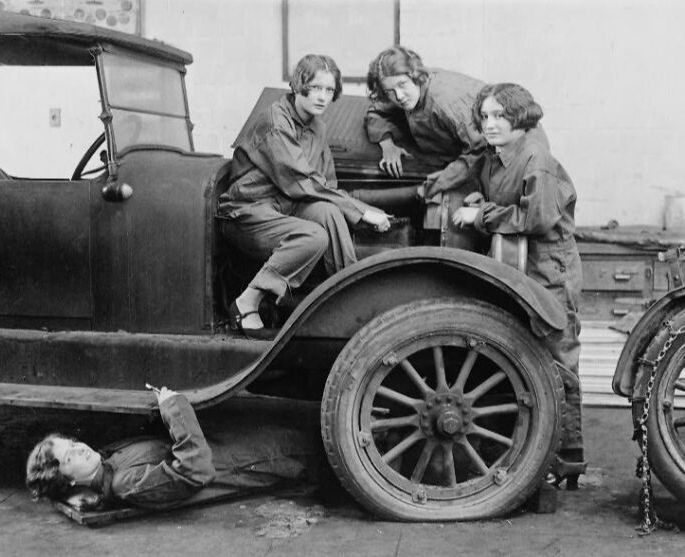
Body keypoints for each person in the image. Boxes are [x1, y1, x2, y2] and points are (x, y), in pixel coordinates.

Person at [451, 83, 586, 489]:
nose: (490, 125)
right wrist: (478, 195)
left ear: (519, 119)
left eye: (499, 117)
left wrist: (479, 216)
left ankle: (568, 458)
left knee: (558, 355)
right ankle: (534, 454)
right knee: (523, 353)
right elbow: (491, 188)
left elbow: (537, 219)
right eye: (486, 117)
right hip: (518, 264)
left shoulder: (535, 158)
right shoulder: (496, 157)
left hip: (550, 266)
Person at [219, 54, 390, 334]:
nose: (322, 97)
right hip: (248, 210)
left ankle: (348, 300)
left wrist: (362, 210)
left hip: (286, 205)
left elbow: (327, 185)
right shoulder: (275, 120)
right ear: (299, 85)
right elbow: (298, 179)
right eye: (316, 88)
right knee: (313, 236)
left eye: (329, 90)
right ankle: (247, 301)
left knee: (329, 211)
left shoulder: (318, 127)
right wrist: (361, 212)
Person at [26, 387, 322, 510]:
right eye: (69, 457)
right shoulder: (122, 483)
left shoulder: (107, 460)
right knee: (313, 444)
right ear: (70, 480)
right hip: (252, 461)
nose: (79, 449)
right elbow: (196, 471)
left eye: (74, 443)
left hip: (229, 447)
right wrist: (173, 407)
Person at [365, 45, 486, 192]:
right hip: (448, 157)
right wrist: (387, 144)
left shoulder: (444, 102)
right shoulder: (402, 88)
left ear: (415, 75)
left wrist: (435, 185)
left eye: (402, 85)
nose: (399, 96)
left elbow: (479, 151)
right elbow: (375, 112)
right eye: (389, 91)